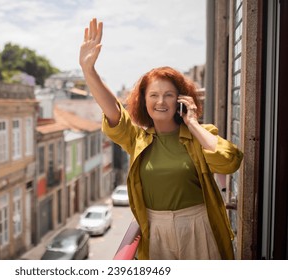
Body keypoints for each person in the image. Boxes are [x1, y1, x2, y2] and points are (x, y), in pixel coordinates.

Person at [79, 18, 244, 260]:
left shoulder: (200, 134)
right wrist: (89, 71)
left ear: (180, 99)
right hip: (154, 231)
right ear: (143, 102)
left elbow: (230, 162)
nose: (160, 101)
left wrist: (193, 124)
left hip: (199, 228)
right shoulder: (137, 139)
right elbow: (113, 110)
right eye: (153, 95)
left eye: (168, 95)